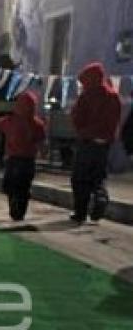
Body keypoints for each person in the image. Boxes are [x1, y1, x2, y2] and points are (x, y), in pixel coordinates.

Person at [70, 62, 123, 224]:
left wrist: (82, 131)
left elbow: (76, 117)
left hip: (87, 142)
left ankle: (80, 213)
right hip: (104, 144)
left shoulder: (86, 96)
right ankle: (100, 197)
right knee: (98, 177)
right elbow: (115, 120)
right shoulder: (113, 96)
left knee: (80, 179)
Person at [0, 91, 47, 221]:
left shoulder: (11, 120)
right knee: (23, 186)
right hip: (28, 161)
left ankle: (15, 207)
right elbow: (42, 144)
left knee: (10, 185)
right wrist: (43, 153)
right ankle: (19, 212)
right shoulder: (37, 124)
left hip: (14, 160)